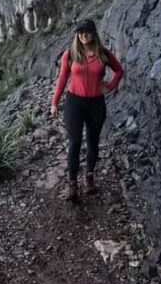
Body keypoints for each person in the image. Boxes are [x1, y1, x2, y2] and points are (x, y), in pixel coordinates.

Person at [50, 18, 123, 202]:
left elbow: (119, 70)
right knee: (74, 141)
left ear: (93, 33)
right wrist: (54, 102)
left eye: (87, 32)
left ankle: (89, 176)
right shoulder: (71, 54)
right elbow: (62, 78)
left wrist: (112, 84)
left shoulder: (103, 53)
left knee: (93, 142)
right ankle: (72, 184)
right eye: (80, 32)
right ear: (77, 34)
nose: (83, 35)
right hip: (74, 103)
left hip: (96, 104)